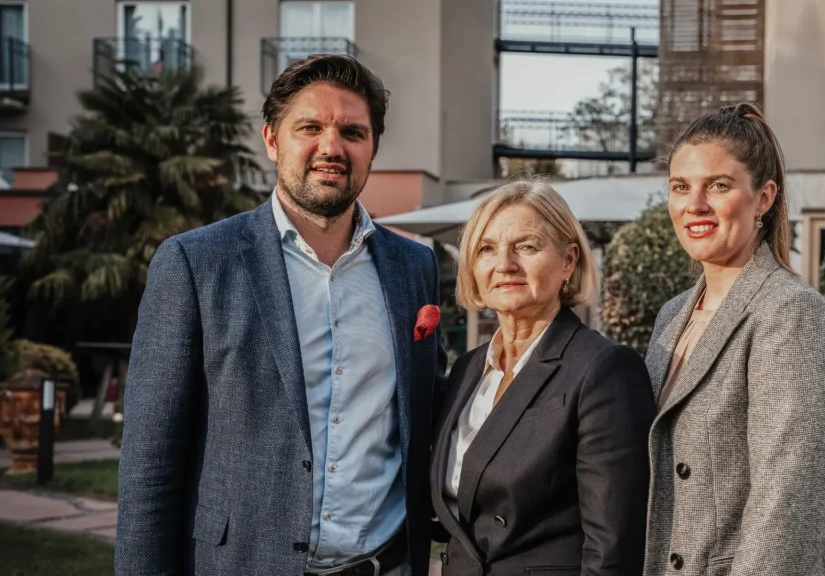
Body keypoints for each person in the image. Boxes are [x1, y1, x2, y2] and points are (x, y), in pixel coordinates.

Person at [115, 54, 447, 576]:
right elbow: (149, 465)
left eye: (353, 132)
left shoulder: (414, 266)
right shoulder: (195, 263)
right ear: (272, 139)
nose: (332, 147)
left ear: (373, 148)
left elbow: (429, 412)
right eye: (310, 128)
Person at [643, 102, 825, 576]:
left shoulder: (791, 312)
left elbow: (786, 502)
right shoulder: (672, 314)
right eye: (680, 186)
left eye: (718, 185)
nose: (694, 204)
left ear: (763, 198)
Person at [429, 180, 655, 576]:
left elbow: (613, 550)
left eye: (527, 247)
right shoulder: (467, 369)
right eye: (486, 249)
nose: (504, 264)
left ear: (569, 261)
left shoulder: (604, 369)